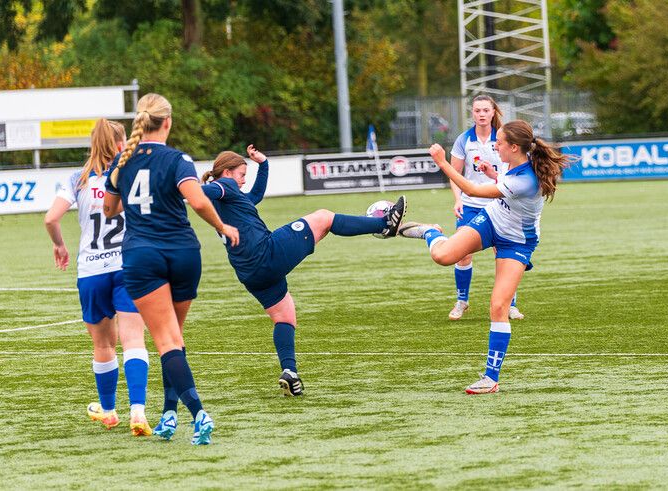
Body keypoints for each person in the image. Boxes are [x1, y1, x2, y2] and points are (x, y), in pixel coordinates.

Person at [200, 145, 406, 396]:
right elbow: (202, 191)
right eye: (242, 174)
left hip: (250, 273)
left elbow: (256, 195)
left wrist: (263, 165)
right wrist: (181, 187)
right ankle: (384, 224)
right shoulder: (225, 187)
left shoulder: (231, 199)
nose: (244, 181)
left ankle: (290, 373)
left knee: (285, 316)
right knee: (323, 218)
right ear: (228, 173)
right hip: (267, 254)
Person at [103, 93, 239, 445]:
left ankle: (198, 413)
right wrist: (222, 228)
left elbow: (109, 210)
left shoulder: (123, 160)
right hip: (183, 253)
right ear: (168, 122)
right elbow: (197, 200)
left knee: (167, 341)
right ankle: (168, 413)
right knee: (174, 340)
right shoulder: (179, 158)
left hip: (143, 256)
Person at [400, 120, 571, 394]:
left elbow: (473, 191)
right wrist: (494, 174)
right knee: (443, 256)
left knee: (498, 306)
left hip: (517, 242)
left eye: (500, 143)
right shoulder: (512, 163)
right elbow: (502, 185)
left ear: (514, 147)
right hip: (491, 221)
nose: (495, 146)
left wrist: (442, 162)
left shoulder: (526, 179)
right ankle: (431, 232)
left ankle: (490, 379)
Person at [44, 118, 152, 436]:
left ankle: (108, 411)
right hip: (127, 266)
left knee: (103, 345)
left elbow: (51, 218)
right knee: (134, 339)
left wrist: (60, 246)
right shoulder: (129, 176)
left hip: (91, 271)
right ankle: (138, 412)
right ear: (121, 145)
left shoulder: (77, 178)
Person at [448, 95, 524, 321]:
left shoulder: (504, 138)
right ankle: (462, 301)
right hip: (470, 205)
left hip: (499, 203)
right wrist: (458, 199)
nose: (481, 114)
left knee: (504, 255)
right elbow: (454, 174)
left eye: (485, 110)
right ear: (472, 113)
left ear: (493, 113)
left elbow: (515, 170)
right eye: (477, 110)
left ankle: (511, 304)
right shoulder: (464, 140)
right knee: (462, 254)